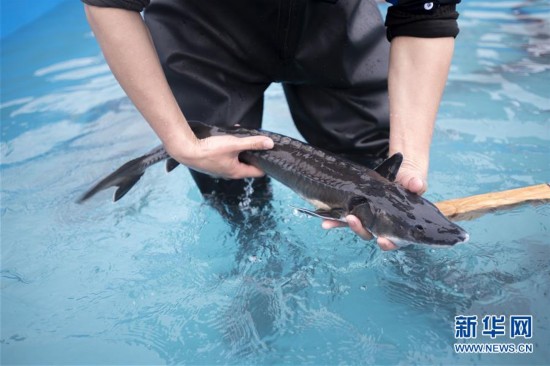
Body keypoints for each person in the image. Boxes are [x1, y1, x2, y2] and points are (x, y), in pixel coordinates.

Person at [82, 0, 460, 250]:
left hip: (331, 20)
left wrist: (408, 157)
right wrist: (179, 141)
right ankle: (255, 272)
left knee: (379, 166)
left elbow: (425, 13)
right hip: (202, 26)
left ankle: (412, 267)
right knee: (231, 192)